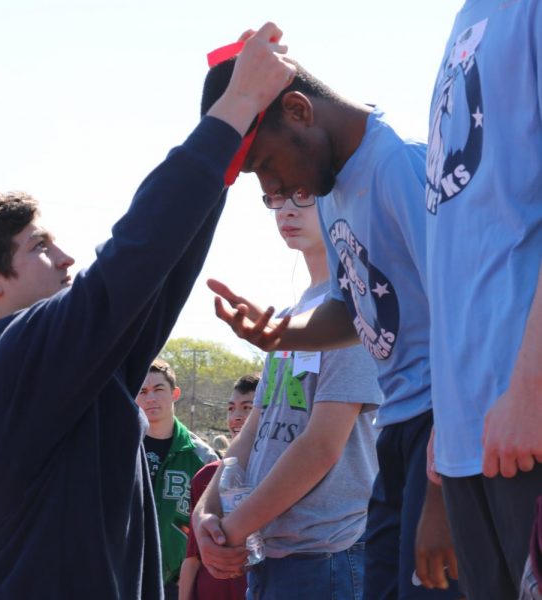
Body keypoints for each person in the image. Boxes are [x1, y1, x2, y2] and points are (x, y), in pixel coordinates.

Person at [0, 24, 296, 598]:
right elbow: (128, 262)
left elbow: (156, 275)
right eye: (40, 247)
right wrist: (235, 107)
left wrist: (228, 140)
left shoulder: (65, 365)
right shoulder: (8, 360)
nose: (66, 258)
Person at [195, 50, 460, 598]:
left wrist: (442, 487)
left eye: (267, 166)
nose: (273, 185)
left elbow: (461, 325)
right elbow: (356, 312)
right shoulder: (336, 192)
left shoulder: (399, 169)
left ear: (298, 110)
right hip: (402, 433)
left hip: (442, 433)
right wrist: (280, 335)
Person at [200, 193, 381, 599]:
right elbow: (253, 431)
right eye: (274, 197)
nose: (286, 209)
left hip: (327, 556)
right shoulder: (288, 317)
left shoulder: (354, 308)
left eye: (301, 194)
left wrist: (232, 529)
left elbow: (321, 446)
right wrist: (206, 514)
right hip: (271, 555)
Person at [423, 3, 542, 598]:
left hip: (526, 422)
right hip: (471, 434)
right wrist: (446, 412)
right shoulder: (469, 15)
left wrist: (531, 386)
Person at [136, 359, 219, 598]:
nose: (150, 398)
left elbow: (213, 518)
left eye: (158, 389)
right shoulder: (121, 450)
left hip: (176, 582)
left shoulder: (201, 456)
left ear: (175, 393)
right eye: (142, 391)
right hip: (125, 572)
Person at [179, 374, 259, 600]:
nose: (236, 417)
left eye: (248, 408)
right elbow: (192, 559)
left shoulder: (283, 474)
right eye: (231, 409)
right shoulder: (208, 476)